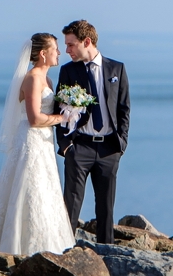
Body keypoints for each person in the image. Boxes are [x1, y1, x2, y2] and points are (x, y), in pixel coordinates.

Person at [0, 33, 75, 258]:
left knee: (46, 190)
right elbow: (34, 119)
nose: (59, 53)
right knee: (28, 186)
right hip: (32, 140)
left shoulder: (49, 81)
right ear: (43, 54)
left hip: (44, 142)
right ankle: (17, 247)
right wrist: (62, 119)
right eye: (55, 49)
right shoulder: (33, 79)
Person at [55, 19, 130, 244]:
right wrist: (66, 146)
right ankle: (64, 250)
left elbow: (124, 108)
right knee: (72, 203)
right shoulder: (68, 71)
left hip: (109, 149)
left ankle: (107, 254)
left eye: (71, 45)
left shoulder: (117, 68)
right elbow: (59, 109)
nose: (66, 50)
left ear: (86, 41)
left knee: (106, 207)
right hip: (80, 147)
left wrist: (121, 144)